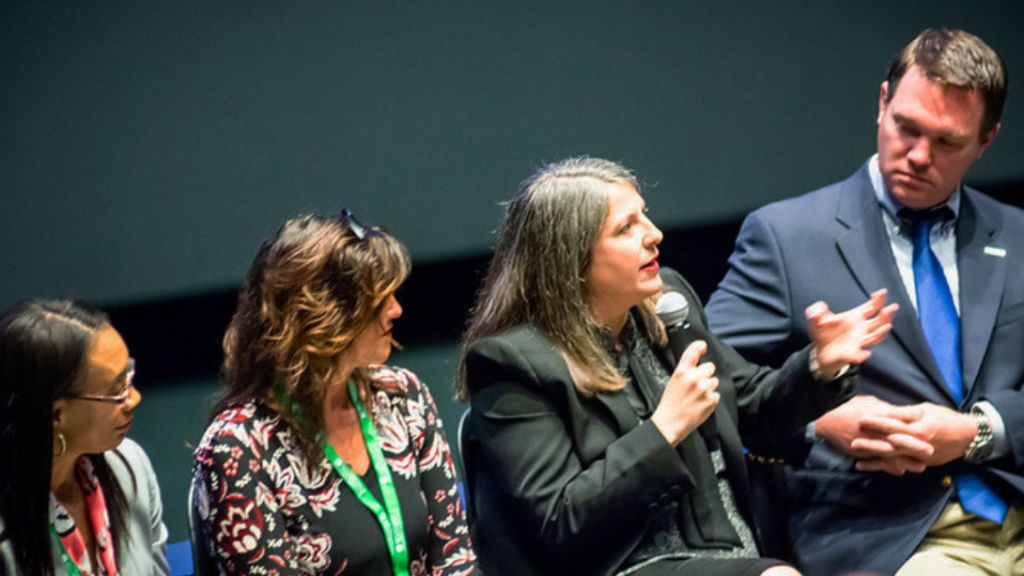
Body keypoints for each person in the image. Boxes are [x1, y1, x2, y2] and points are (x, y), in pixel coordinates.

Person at [455, 157, 897, 576]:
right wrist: (664, 429)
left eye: (643, 215)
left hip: (734, 554)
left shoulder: (666, 305)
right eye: (626, 228)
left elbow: (751, 406)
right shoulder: (513, 363)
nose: (654, 234)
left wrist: (820, 365)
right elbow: (560, 521)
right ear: (571, 260)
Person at [705, 28, 1022, 576]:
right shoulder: (786, 237)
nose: (919, 156)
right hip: (887, 532)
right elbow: (703, 383)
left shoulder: (1017, 236)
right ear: (882, 104)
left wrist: (978, 430)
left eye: (946, 142)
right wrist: (816, 421)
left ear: (987, 138)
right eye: (906, 128)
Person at [192, 212, 478, 576]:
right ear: (323, 316)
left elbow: (456, 558)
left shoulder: (403, 396)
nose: (397, 309)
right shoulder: (237, 448)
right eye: (379, 297)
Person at [0, 299, 169, 576]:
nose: (134, 398)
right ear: (56, 415)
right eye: (117, 390)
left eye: (128, 376)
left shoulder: (131, 466)